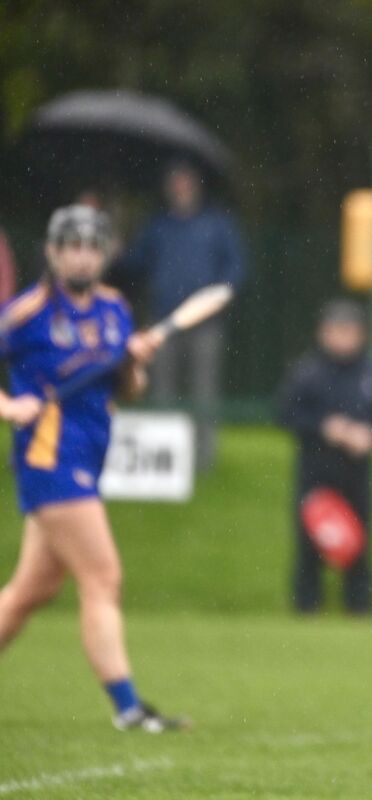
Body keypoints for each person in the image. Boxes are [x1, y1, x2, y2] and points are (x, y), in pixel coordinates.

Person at [0, 205, 185, 731]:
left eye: (91, 245)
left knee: (30, 592)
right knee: (103, 576)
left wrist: (134, 362)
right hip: (49, 460)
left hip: (88, 455)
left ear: (104, 254)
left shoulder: (114, 310)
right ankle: (128, 709)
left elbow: (127, 389)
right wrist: (9, 406)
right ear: (53, 252)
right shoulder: (25, 313)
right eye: (70, 244)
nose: (81, 254)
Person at [118, 161, 246, 468]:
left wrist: (221, 295)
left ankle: (203, 459)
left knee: (203, 391)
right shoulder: (158, 226)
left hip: (206, 324)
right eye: (176, 182)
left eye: (186, 182)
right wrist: (117, 247)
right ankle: (167, 462)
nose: (181, 188)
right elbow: (134, 264)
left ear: (197, 185)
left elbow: (236, 268)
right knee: (164, 390)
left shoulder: (217, 224)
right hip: (164, 321)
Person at [276, 299, 372, 614]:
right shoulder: (307, 372)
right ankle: (307, 609)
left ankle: (359, 610)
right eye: (337, 330)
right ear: (323, 333)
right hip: (316, 471)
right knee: (309, 544)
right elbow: (285, 414)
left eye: (350, 330)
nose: (343, 337)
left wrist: (370, 434)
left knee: (359, 543)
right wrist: (325, 428)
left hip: (357, 473)